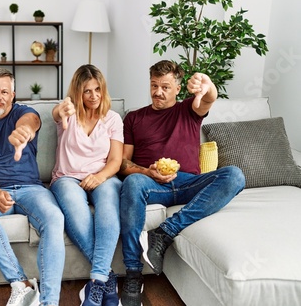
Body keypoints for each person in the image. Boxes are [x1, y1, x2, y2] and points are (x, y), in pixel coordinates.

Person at [118, 60, 246, 306]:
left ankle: (164, 232)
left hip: (188, 182)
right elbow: (122, 164)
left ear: (178, 89)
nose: (158, 92)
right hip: (151, 184)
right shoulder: (134, 118)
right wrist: (148, 172)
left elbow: (208, 98)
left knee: (234, 175)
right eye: (154, 85)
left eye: (165, 87)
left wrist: (207, 84)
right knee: (132, 181)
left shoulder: (188, 108)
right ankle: (134, 274)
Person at [0, 67, 65, 306]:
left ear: (13, 94)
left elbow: (32, 121)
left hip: (31, 188)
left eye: (5, 91)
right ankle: (21, 283)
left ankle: (50, 302)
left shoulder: (24, 113)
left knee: (54, 218)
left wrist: (24, 130)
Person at [49, 64, 123, 306]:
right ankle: (108, 278)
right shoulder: (67, 114)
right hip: (67, 177)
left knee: (109, 208)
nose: (93, 96)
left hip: (103, 175)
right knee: (77, 212)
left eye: (97, 89)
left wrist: (100, 177)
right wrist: (62, 108)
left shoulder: (112, 119)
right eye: (87, 91)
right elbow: (56, 112)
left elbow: (115, 160)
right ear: (77, 93)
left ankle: (96, 283)